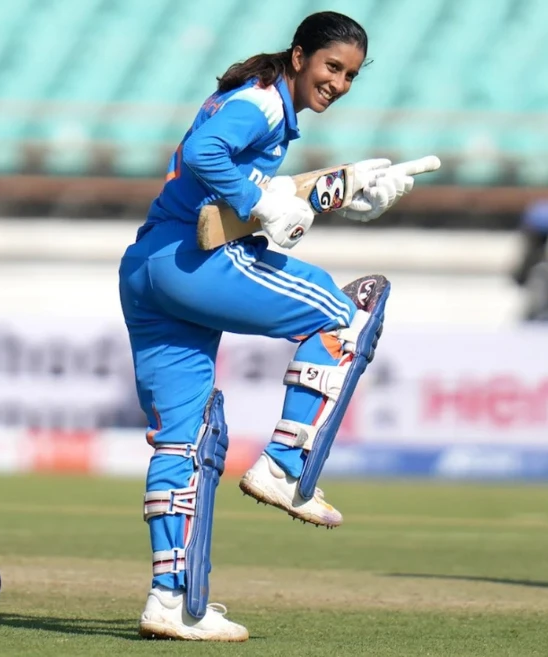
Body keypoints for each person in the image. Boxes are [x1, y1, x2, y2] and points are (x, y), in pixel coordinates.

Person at [117, 12, 419, 641]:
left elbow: (252, 187)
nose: (339, 83)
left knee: (183, 436)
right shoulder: (260, 101)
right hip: (190, 258)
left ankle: (170, 602)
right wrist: (263, 203)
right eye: (332, 67)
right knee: (345, 312)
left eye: (351, 76)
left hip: (148, 265)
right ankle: (284, 464)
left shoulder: (258, 101)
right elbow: (207, 158)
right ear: (301, 55)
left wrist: (339, 192)